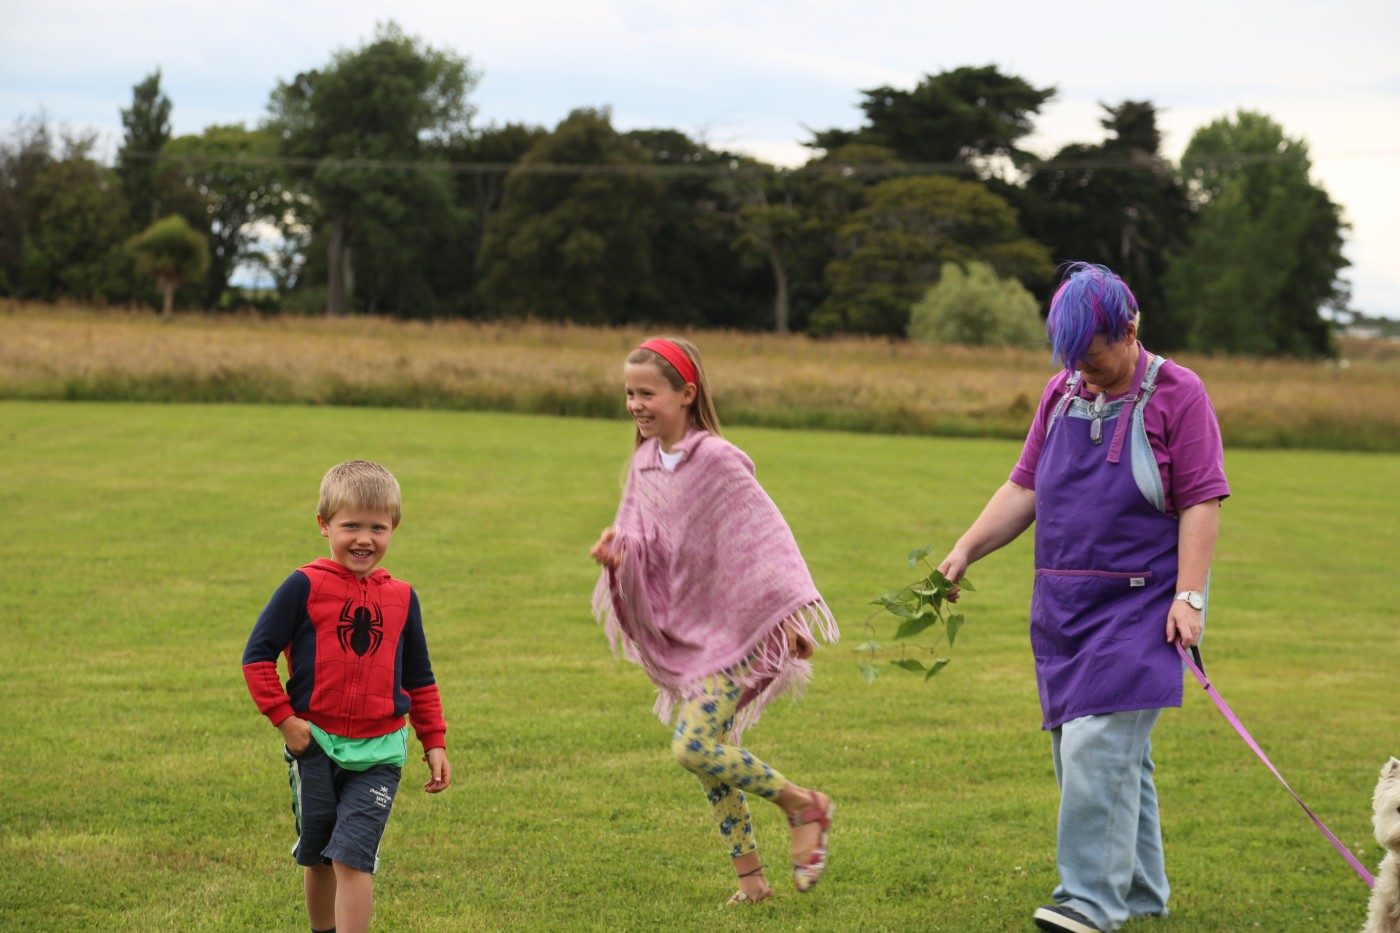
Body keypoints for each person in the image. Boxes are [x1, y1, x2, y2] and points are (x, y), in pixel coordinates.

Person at [936, 264, 1230, 933]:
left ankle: (1089, 902)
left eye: (1093, 359)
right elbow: (1024, 488)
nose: (1083, 374)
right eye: (1072, 361)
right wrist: (966, 548)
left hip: (1143, 607)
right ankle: (1142, 892)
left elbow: (1202, 501)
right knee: (1100, 750)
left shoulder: (1179, 394)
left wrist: (1190, 596)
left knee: (1097, 749)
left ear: (1129, 329)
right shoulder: (1060, 394)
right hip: (1064, 608)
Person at [589, 336, 839, 906]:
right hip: (693, 633)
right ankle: (752, 882)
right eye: (629, 393)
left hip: (738, 633)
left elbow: (762, 542)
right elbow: (643, 539)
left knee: (693, 746)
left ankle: (804, 805)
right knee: (711, 760)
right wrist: (620, 551)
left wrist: (787, 619)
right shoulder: (645, 464)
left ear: (686, 393)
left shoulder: (718, 460)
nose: (635, 405)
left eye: (646, 393)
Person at [242, 460, 452, 933]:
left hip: (380, 752)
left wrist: (433, 740)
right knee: (319, 855)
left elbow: (419, 677)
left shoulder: (402, 598)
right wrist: (287, 723)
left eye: (377, 527)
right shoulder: (303, 586)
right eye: (351, 525)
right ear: (324, 525)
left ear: (394, 527)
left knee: (353, 856)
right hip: (315, 745)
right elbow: (256, 658)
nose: (364, 539)